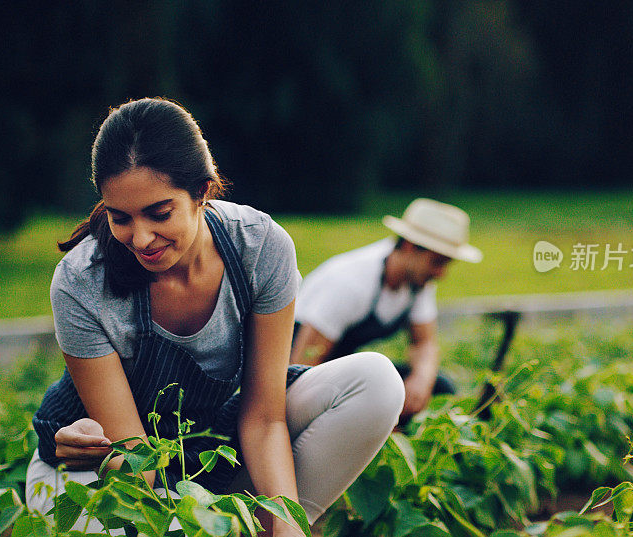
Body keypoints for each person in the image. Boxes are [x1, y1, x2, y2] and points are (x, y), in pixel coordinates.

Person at [26, 98, 405, 535]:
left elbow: (265, 418)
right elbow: (136, 462)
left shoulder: (259, 248)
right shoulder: (81, 282)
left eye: (159, 213)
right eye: (120, 218)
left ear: (203, 192)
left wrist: (286, 526)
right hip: (100, 473)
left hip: (209, 450)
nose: (141, 237)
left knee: (375, 381)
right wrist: (113, 461)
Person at [291, 198, 482, 424]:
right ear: (410, 246)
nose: (441, 274)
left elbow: (424, 343)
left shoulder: (418, 283)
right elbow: (304, 365)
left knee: (441, 387)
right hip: (305, 370)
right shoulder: (351, 283)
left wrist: (421, 378)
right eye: (437, 262)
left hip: (342, 367)